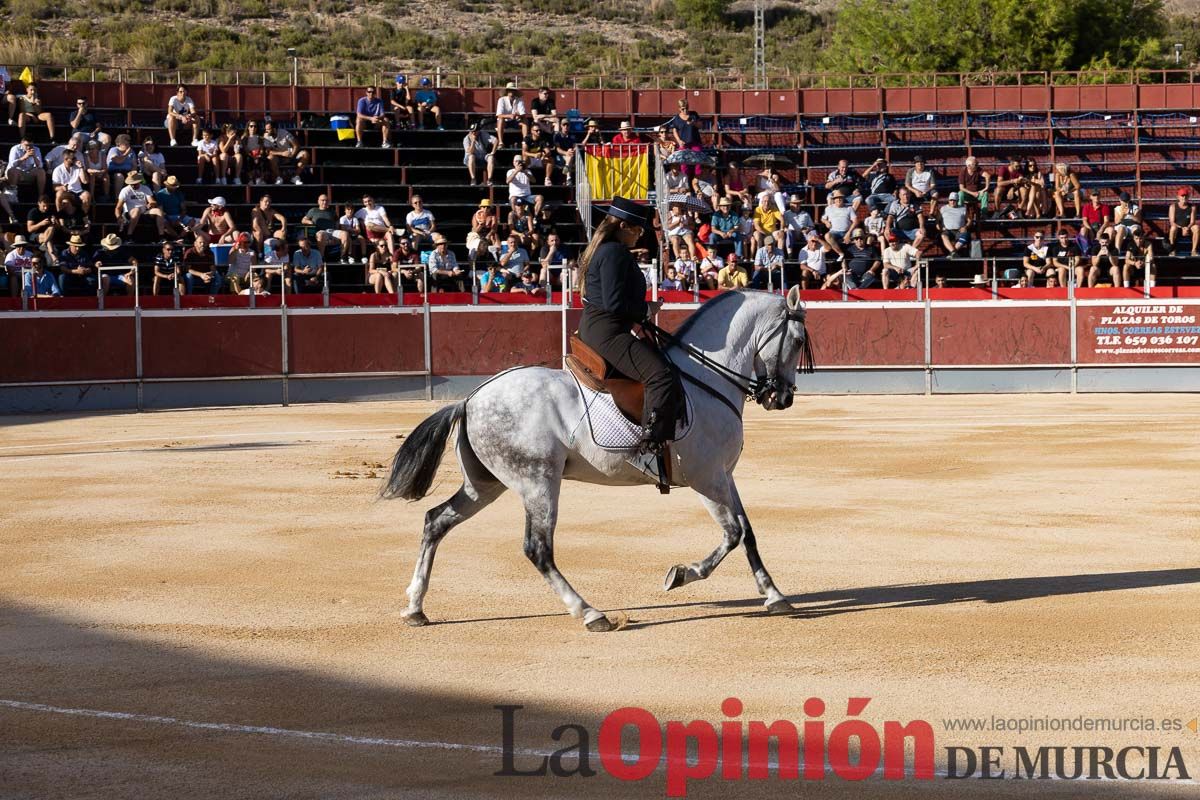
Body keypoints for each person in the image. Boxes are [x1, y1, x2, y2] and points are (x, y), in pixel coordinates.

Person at [576, 196, 683, 454]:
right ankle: (652, 443)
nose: (639, 235)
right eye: (637, 229)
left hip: (598, 329)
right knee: (661, 375)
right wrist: (647, 309)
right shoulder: (614, 252)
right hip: (609, 334)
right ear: (623, 226)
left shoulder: (602, 250)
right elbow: (614, 303)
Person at [262, 120, 310, 185]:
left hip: (291, 155)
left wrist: (291, 155)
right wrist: (282, 153)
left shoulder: (284, 133)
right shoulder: (266, 136)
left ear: (274, 129)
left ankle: (295, 177)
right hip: (278, 158)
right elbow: (268, 151)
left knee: (305, 154)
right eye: (266, 129)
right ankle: (279, 178)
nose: (266, 131)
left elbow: (296, 145)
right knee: (270, 157)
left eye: (268, 129)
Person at [1168, 188, 1199, 257]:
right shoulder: (1173, 207)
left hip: (1188, 228)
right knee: (1173, 228)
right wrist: (1182, 228)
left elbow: (1192, 221)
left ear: (1188, 197)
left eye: (1186, 195)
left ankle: (1194, 250)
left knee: (1196, 227)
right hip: (1177, 228)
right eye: (1182, 195)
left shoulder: (1192, 207)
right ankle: (1172, 250)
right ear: (1178, 197)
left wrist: (1187, 228)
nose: (1184, 197)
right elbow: (1172, 222)